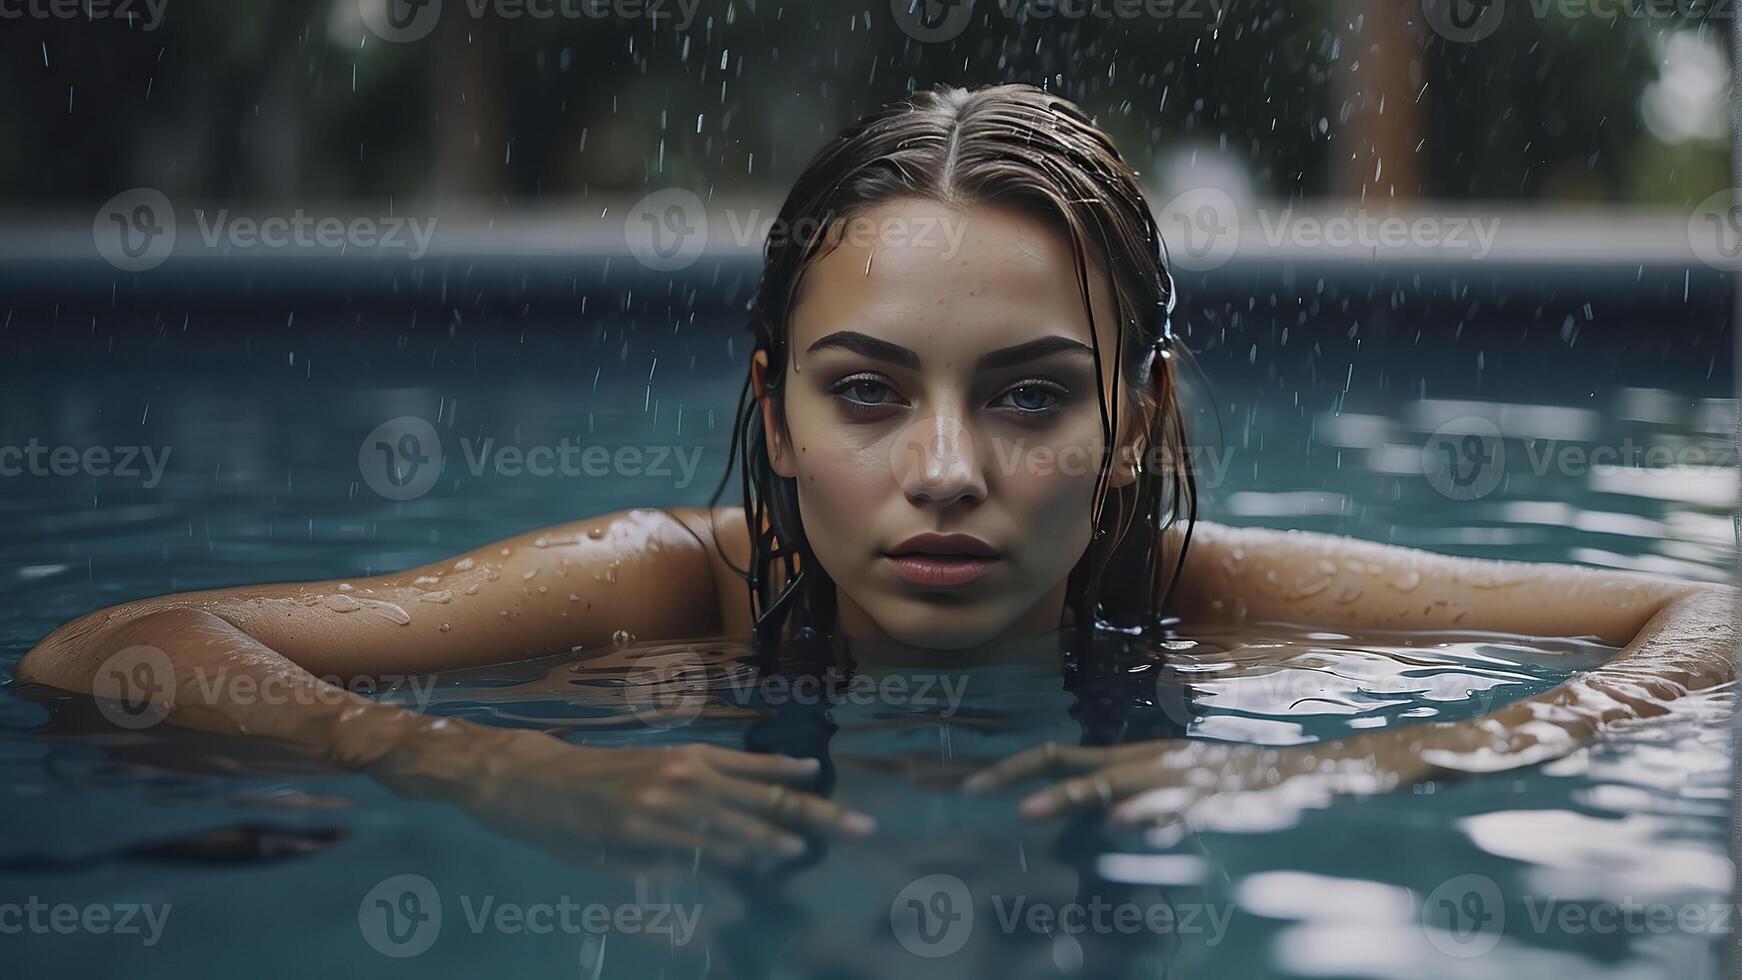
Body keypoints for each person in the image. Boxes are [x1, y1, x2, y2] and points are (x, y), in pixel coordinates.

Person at [18, 83, 1735, 867]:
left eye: (1029, 399)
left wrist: (1375, 768)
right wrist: (476, 770)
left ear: (1130, 424)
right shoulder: (659, 588)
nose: (942, 471)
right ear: (772, 412)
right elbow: (104, 648)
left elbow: (1706, 609)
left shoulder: (1204, 597)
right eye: (865, 395)